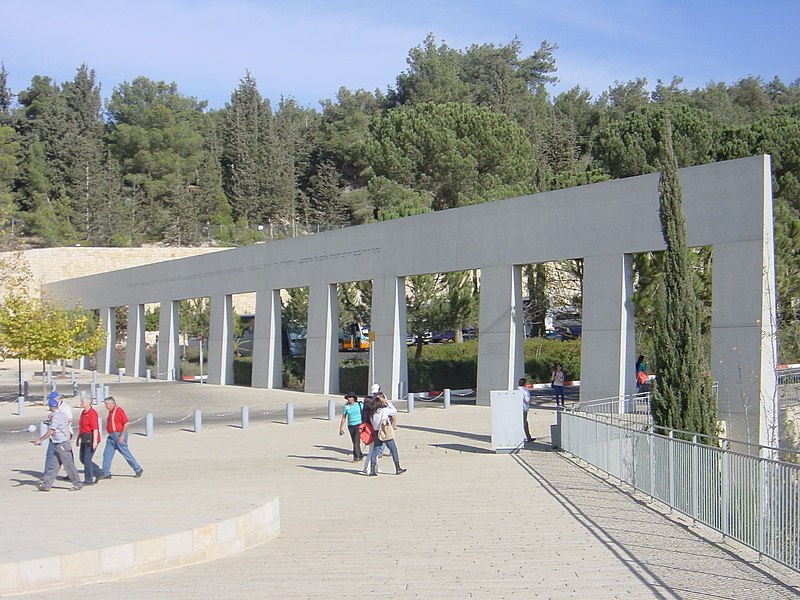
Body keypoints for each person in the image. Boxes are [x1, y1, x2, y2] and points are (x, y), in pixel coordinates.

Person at [31, 396, 83, 491]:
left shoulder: (56, 417)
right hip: (59, 443)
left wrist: (40, 439)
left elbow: (51, 430)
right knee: (54, 465)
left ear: (50, 406)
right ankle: (47, 484)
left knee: (68, 465)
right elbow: (66, 428)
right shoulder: (62, 415)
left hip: (61, 443)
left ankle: (77, 483)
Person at [99, 396, 143, 480]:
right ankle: (106, 473)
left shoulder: (118, 410)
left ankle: (138, 469)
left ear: (112, 404)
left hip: (118, 435)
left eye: (107, 404)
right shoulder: (111, 412)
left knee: (125, 453)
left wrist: (122, 436)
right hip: (111, 436)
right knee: (107, 454)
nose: (106, 406)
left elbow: (126, 423)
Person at [367, 392, 406, 476]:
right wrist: (388, 403)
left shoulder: (372, 414)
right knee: (393, 449)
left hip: (376, 432)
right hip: (385, 432)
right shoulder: (384, 411)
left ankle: (372, 470)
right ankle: (397, 468)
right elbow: (394, 411)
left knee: (375, 451)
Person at [42, 391, 73, 477]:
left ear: (58, 399)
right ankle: (46, 474)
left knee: (66, 456)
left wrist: (57, 420)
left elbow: (69, 418)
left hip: (65, 433)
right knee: (50, 454)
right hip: (54, 435)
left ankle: (71, 474)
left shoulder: (66, 407)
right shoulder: (54, 408)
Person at [77, 396, 102, 485]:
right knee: (82, 458)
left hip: (91, 438)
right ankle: (98, 471)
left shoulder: (92, 413)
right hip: (84, 437)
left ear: (88, 403)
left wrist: (95, 441)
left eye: (82, 402)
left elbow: (95, 428)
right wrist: (78, 439)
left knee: (87, 458)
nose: (81, 403)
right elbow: (81, 427)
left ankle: (89, 479)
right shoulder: (83, 413)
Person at [339, 391, 364, 462]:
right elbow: (344, 417)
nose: (349, 399)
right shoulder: (346, 407)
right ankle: (360, 455)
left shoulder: (359, 405)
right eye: (348, 397)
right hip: (350, 425)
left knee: (356, 441)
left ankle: (355, 457)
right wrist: (341, 427)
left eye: (350, 397)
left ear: (354, 398)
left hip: (359, 424)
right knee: (354, 441)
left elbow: (365, 413)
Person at [519, 377, 533, 442]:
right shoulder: (525, 391)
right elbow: (527, 401)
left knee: (524, 423)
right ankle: (527, 437)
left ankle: (528, 436)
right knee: (524, 423)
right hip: (524, 408)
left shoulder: (517, 390)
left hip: (516, 408)